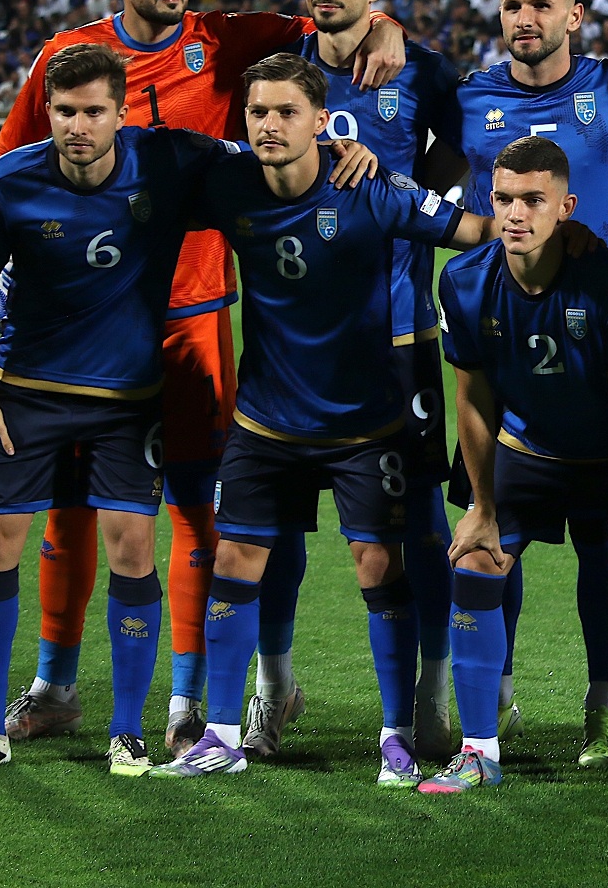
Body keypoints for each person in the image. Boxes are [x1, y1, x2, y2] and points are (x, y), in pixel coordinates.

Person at [0, 0, 406, 759]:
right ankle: (54, 684)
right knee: (70, 511)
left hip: (194, 317)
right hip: (86, 327)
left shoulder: (226, 40)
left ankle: (188, 701)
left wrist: (389, 24)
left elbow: (335, 18)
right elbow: (12, 169)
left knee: (196, 506)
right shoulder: (69, 60)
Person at [150, 53, 500, 782]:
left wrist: (558, 233)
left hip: (364, 425)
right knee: (235, 563)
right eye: (258, 113)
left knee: (378, 567)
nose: (270, 125)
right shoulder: (229, 178)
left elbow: (474, 230)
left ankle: (396, 736)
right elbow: (143, 161)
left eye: (286, 112)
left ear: (322, 122)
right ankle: (220, 733)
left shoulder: (370, 188)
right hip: (265, 420)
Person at [0, 43, 237, 777]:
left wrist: (342, 146)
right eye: (66, 111)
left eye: (94, 111)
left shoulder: (165, 160)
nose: (80, 125)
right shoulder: (8, 181)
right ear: (49, 112)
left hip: (127, 403)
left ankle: (127, 731)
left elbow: (265, 148)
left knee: (133, 550)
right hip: (28, 395)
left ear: (121, 112)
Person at [241, 0, 465, 765]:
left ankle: (430, 694)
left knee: (418, 528)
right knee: (274, 530)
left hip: (398, 335)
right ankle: (273, 689)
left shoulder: (424, 70)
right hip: (288, 339)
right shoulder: (274, 66)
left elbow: (466, 168)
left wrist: (404, 184)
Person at [422, 137, 608, 802]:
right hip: (530, 448)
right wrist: (480, 506)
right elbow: (474, 397)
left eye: (534, 200)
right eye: (504, 198)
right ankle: (479, 751)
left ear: (566, 207)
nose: (516, 213)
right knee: (474, 562)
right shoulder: (462, 281)